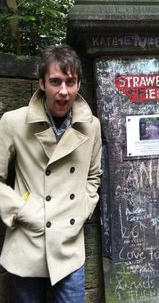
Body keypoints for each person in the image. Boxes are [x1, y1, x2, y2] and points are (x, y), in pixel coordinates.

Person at [0, 45, 102, 302]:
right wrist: (24, 211)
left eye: (70, 82)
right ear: (42, 83)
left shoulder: (92, 127)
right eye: (56, 82)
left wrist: (80, 211)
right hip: (27, 246)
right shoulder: (13, 123)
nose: (64, 91)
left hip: (69, 250)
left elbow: (93, 177)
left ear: (79, 84)